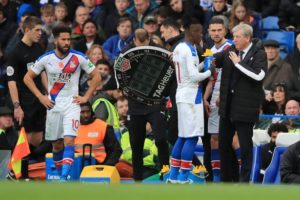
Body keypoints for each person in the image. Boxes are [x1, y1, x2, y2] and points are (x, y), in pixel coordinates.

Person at [23, 25, 101, 181]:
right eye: (63, 39)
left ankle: (64, 177)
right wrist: (41, 97)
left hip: (72, 104)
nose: (67, 42)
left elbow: (97, 76)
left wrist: (85, 97)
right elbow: (27, 77)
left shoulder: (78, 57)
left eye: (68, 39)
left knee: (69, 140)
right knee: (57, 145)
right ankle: (59, 176)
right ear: (56, 39)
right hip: (53, 105)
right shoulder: (46, 58)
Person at [213, 23, 267, 182]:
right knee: (223, 145)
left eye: (237, 37)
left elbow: (259, 76)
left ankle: (244, 182)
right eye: (234, 36)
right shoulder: (231, 50)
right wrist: (199, 55)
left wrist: (238, 63)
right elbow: (214, 57)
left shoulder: (259, 54)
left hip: (245, 109)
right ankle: (227, 181)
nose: (234, 40)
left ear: (247, 38)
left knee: (245, 148)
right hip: (227, 108)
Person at [168, 17, 213, 184]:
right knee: (192, 137)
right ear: (188, 31)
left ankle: (173, 177)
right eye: (198, 31)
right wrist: (210, 71)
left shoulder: (183, 47)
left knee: (182, 136)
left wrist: (204, 64)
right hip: (191, 96)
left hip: (183, 94)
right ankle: (183, 178)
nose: (200, 34)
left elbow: (191, 70)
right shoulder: (188, 49)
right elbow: (194, 77)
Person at [121, 28, 170, 181]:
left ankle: (165, 173)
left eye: (144, 43)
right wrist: (125, 89)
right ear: (134, 41)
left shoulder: (160, 51)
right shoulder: (126, 54)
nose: (141, 46)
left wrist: (162, 90)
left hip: (155, 104)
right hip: (135, 106)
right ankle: (137, 180)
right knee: (136, 145)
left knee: (161, 139)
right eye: (138, 43)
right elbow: (120, 75)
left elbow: (169, 71)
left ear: (149, 39)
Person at [6, 16, 46, 152]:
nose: (40, 33)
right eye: (37, 30)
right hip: (24, 100)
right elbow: (11, 82)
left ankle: (33, 168)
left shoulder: (38, 49)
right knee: (24, 139)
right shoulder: (14, 53)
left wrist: (48, 93)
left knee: (39, 137)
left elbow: (43, 73)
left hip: (39, 99)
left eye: (41, 30)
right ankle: (19, 169)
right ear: (27, 30)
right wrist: (17, 106)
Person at [203, 16, 233, 182]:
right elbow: (211, 78)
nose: (216, 33)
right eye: (213, 30)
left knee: (232, 138)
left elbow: (233, 76)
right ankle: (217, 178)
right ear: (208, 31)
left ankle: (240, 176)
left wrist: (223, 94)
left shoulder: (232, 48)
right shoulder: (209, 52)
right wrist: (205, 98)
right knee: (214, 138)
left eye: (219, 30)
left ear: (225, 30)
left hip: (229, 96)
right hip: (213, 97)